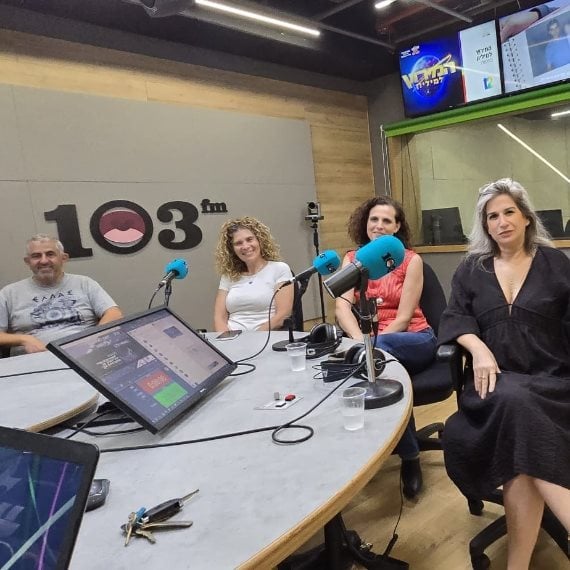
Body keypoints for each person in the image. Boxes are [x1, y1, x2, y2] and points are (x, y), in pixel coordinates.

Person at [438, 179, 570, 568]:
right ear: (485, 225)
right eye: (492, 216)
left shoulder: (557, 264)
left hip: (553, 381)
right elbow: (455, 317)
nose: (502, 222)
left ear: (526, 217)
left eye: (509, 212)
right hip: (493, 385)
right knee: (516, 404)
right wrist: (478, 348)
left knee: (522, 456)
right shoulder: (471, 269)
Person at [335, 196, 437, 499]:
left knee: (378, 356)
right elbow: (342, 307)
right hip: (373, 344)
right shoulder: (353, 259)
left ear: (397, 227)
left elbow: (404, 318)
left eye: (386, 221)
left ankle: (409, 458)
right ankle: (407, 455)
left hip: (414, 338)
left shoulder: (411, 260)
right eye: (374, 220)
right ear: (365, 224)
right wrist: (360, 342)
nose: (378, 226)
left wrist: (368, 348)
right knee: (384, 371)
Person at [0, 234, 123, 356]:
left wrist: (93, 338)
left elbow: (114, 313)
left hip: (88, 354)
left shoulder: (84, 283)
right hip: (35, 359)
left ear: (63, 258)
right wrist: (25, 339)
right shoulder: (9, 293)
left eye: (50, 254)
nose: (44, 261)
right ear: (28, 262)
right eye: (36, 256)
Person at [213, 217, 293, 332]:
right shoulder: (228, 276)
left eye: (249, 239)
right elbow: (219, 318)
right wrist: (226, 339)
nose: (245, 246)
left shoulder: (279, 269)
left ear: (260, 240)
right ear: (232, 250)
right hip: (233, 339)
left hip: (267, 337)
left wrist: (253, 337)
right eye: (238, 243)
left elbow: (282, 315)